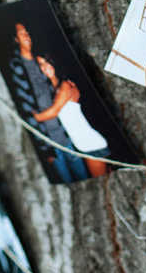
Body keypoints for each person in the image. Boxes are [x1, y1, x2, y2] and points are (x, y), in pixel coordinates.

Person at [8, 23, 88, 183]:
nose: (26, 35)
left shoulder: (41, 60)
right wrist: (44, 149)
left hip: (69, 139)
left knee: (85, 178)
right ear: (16, 39)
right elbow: (25, 109)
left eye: (27, 32)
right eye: (21, 33)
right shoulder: (17, 68)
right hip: (51, 146)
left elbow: (61, 91)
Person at [33, 54, 110, 178]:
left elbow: (54, 111)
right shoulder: (54, 90)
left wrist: (33, 117)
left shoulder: (66, 86)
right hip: (81, 146)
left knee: (104, 182)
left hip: (92, 145)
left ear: (53, 63)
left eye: (46, 62)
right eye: (40, 64)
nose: (44, 67)